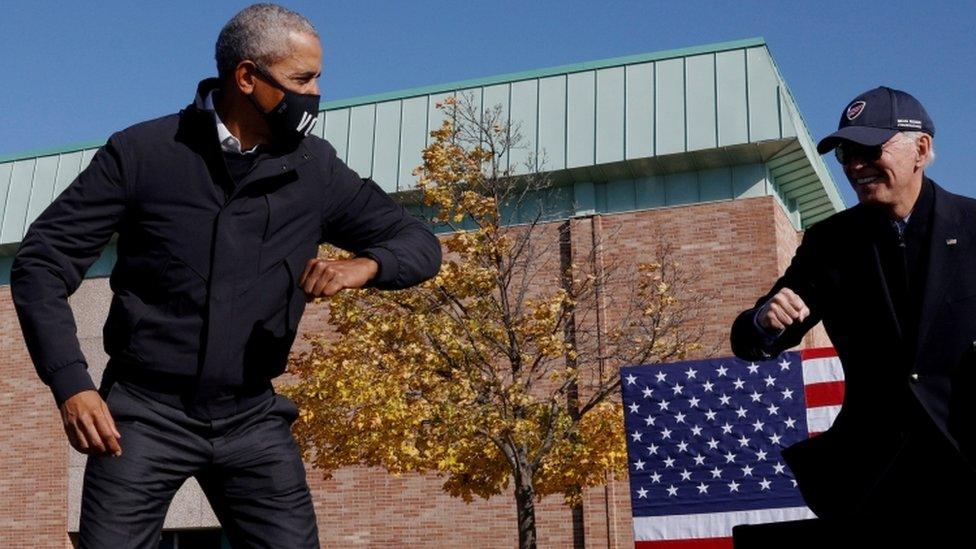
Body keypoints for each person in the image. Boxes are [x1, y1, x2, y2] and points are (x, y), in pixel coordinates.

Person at [10, 4, 441, 547]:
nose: (315, 94)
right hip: (141, 416)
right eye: (301, 79)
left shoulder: (315, 168)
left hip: (252, 418)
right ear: (246, 77)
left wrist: (368, 264)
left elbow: (418, 243)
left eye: (318, 79)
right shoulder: (143, 154)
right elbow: (41, 263)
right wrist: (71, 384)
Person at [730, 86, 976, 539]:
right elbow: (751, 339)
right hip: (874, 484)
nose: (854, 166)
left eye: (867, 149)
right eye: (844, 153)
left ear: (921, 149)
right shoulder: (830, 244)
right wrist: (765, 320)